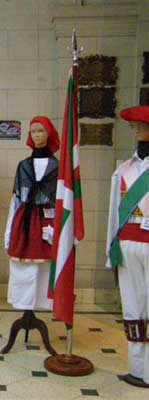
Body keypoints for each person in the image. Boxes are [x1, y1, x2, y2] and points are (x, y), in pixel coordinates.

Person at [106, 105, 149, 388]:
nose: (134, 130)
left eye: (140, 125)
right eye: (132, 126)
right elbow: (114, 212)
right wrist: (112, 248)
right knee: (133, 307)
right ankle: (137, 367)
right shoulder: (123, 168)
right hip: (127, 242)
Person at [5, 116, 60, 310]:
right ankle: (23, 304)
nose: (37, 135)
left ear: (49, 133)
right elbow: (16, 199)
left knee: (43, 268)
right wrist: (9, 232)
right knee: (23, 268)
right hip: (25, 220)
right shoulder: (24, 166)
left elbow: (60, 201)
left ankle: (41, 303)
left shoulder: (58, 167)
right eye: (33, 131)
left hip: (47, 219)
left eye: (41, 130)